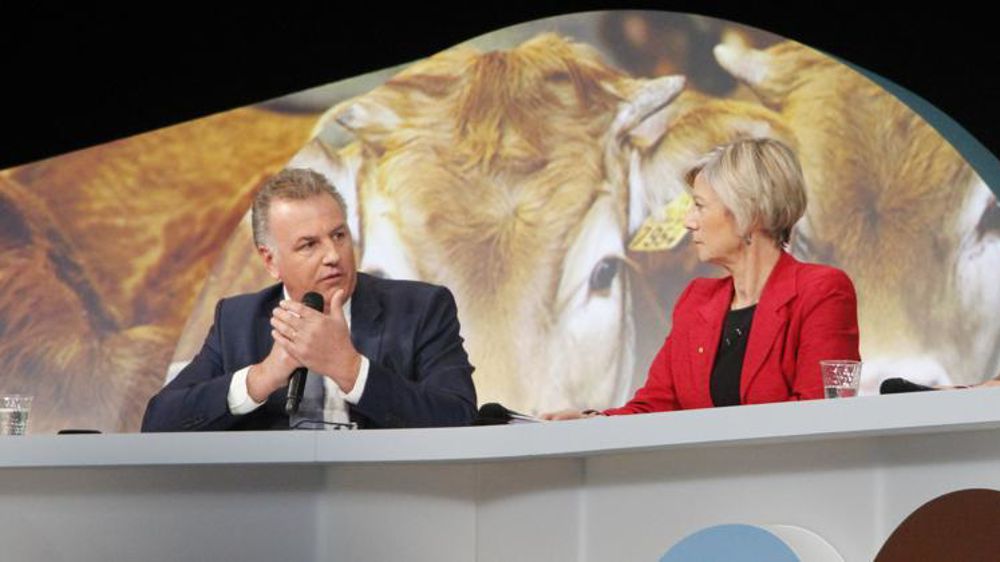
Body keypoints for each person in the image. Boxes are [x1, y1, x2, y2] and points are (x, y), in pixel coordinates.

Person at [545, 138, 860, 420]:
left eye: (698, 206)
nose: (687, 221)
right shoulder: (697, 299)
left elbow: (822, 414)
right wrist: (597, 422)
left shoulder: (822, 291)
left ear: (749, 213)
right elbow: (657, 405)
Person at [142, 168, 476, 431]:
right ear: (270, 261)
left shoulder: (420, 310)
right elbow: (160, 421)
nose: (333, 255)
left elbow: (459, 418)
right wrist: (262, 378)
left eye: (339, 235)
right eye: (309, 245)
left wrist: (350, 369)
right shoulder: (238, 320)